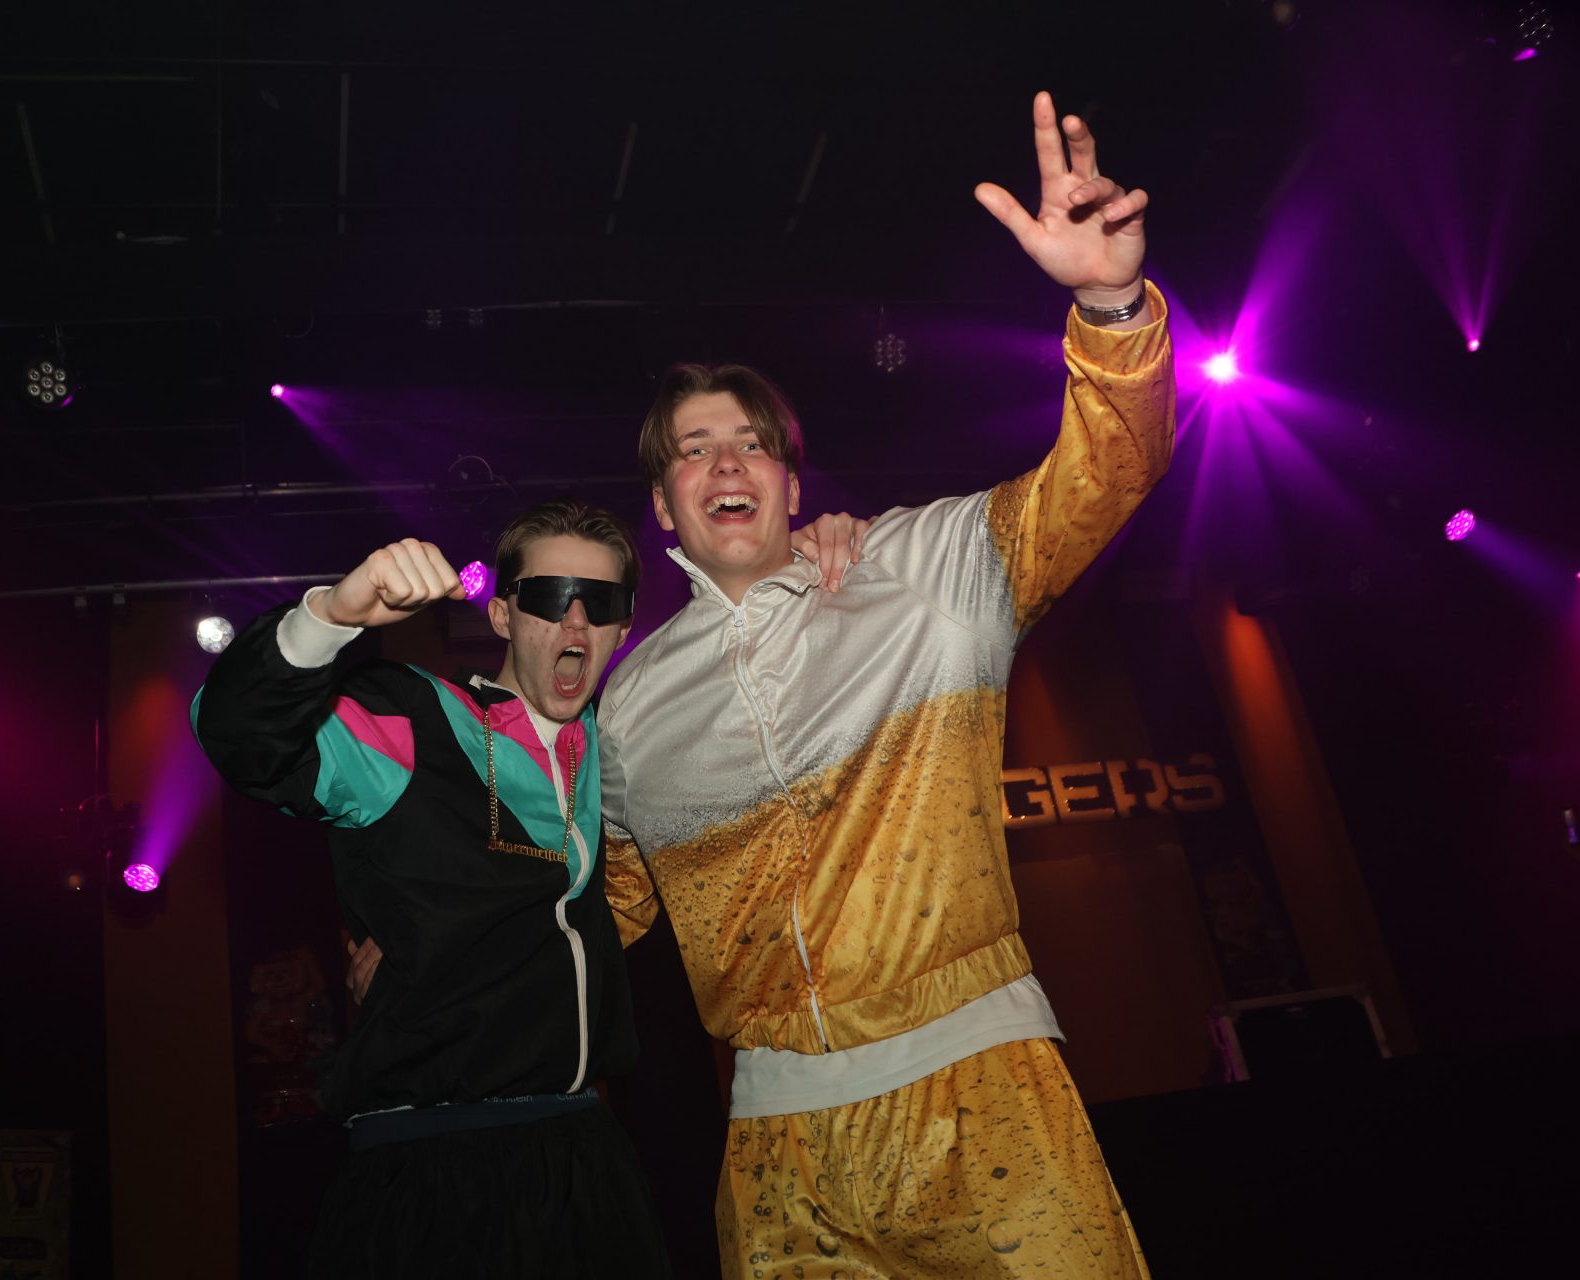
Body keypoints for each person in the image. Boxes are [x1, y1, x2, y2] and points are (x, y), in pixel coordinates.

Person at [597, 92, 1175, 1278]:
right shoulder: (631, 706)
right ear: (663, 507)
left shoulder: (922, 571)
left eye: (752, 442)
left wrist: (1110, 307)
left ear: (790, 482)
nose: (726, 461)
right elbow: (598, 908)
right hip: (778, 1152)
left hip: (982, 1096)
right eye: (694, 450)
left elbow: (1101, 475)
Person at [192, 499, 674, 1278]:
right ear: (503, 613)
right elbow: (239, 733)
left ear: (624, 626)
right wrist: (331, 615)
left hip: (580, 1155)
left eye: (602, 600)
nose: (576, 620)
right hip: (433, 1166)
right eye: (549, 597)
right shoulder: (415, 720)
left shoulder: (616, 751)